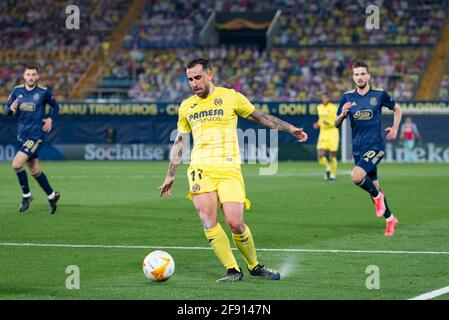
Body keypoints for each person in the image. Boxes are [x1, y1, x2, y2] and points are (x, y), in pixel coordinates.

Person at [159, 58, 308, 282]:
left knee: (235, 223)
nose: (193, 83)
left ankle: (254, 266)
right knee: (208, 220)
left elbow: (261, 118)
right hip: (200, 168)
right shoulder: (186, 106)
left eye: (197, 77)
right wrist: (171, 173)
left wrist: (289, 128)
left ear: (210, 75)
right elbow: (180, 141)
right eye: (190, 79)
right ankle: (232, 270)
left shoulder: (230, 97)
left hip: (229, 169)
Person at [335, 61, 402, 236]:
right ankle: (390, 219)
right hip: (358, 149)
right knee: (374, 187)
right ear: (353, 77)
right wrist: (342, 114)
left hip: (375, 146)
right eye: (356, 74)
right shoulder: (347, 97)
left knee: (356, 176)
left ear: (368, 76)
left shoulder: (379, 95)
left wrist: (394, 128)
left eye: (362, 74)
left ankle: (378, 198)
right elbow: (336, 123)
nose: (359, 77)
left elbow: (398, 109)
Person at [6, 64, 61, 214]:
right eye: (28, 74)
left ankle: (26, 196)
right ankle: (51, 196)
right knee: (34, 170)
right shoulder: (17, 91)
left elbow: (56, 107)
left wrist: (50, 119)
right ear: (24, 76)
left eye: (33, 74)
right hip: (22, 135)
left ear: (37, 76)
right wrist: (11, 109)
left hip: (36, 135)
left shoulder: (43, 92)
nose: (31, 77)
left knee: (16, 164)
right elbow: (7, 110)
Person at [313, 93, 339, 181]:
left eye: (325, 98)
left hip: (332, 133)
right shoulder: (319, 107)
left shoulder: (333, 108)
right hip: (323, 133)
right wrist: (317, 123)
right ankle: (328, 167)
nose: (323, 99)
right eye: (322, 98)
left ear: (328, 98)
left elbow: (337, 121)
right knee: (320, 155)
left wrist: (329, 124)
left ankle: (333, 174)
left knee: (332, 156)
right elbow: (321, 119)